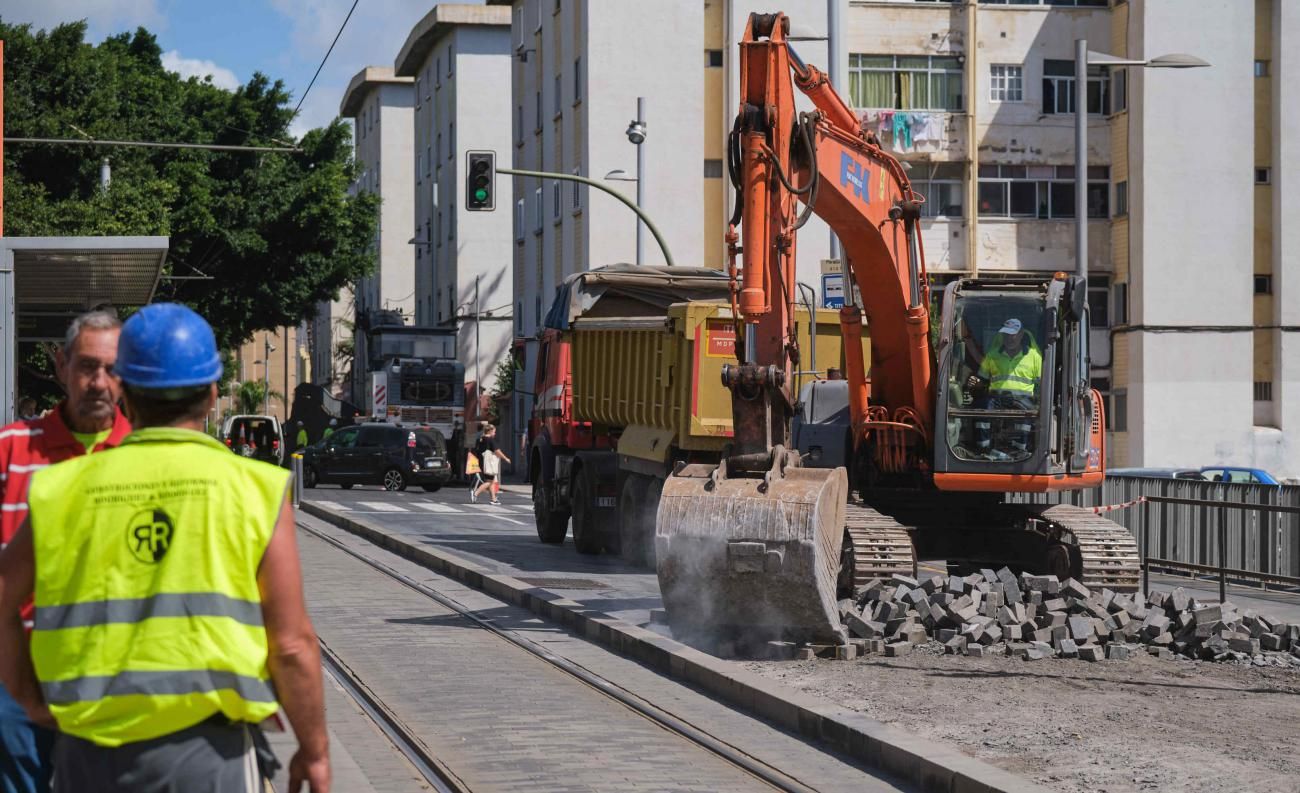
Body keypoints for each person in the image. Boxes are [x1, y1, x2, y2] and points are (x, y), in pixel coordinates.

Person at [0, 303, 330, 793]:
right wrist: (315, 749)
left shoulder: (60, 488)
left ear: (125, 391)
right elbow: (291, 644)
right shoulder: (254, 489)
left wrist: (27, 696)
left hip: (88, 755)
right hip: (210, 757)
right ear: (214, 391)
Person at [0, 309, 132, 793]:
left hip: (109, 678)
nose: (98, 382)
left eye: (112, 369)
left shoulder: (146, 459)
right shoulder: (10, 449)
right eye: (86, 366)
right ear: (62, 366)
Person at [966, 317, 1042, 457]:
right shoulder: (992, 355)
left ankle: (1020, 452)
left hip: (1024, 400)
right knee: (982, 408)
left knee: (1026, 416)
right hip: (997, 399)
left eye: (1012, 334)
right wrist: (976, 383)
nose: (1009, 338)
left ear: (1021, 335)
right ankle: (984, 449)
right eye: (1006, 334)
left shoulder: (1034, 357)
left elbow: (1041, 385)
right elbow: (982, 380)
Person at [471, 424, 510, 506]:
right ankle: (475, 493)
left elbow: (475, 451)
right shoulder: (490, 440)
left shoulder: (480, 439)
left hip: (482, 463)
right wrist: (505, 458)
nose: (495, 433)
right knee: (489, 481)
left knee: (491, 481)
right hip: (489, 464)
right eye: (494, 432)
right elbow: (497, 451)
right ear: (490, 431)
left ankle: (493, 499)